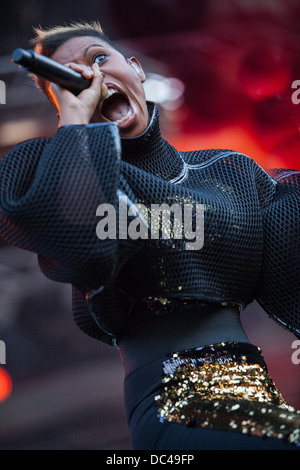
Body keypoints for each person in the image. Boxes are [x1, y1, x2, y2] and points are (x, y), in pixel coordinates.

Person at [0, 21, 299, 450]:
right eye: (67, 79)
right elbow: (73, 237)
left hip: (258, 395)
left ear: (136, 69)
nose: (90, 77)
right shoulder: (69, 175)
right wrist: (77, 124)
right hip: (176, 402)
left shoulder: (229, 171)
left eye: (98, 58)